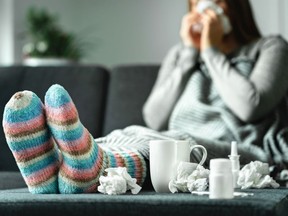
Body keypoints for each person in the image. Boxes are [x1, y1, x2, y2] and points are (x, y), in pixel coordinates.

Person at [2, 0, 288, 194]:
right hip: (171, 138)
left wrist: (211, 51)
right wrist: (189, 55)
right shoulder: (181, 55)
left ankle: (93, 169)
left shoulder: (270, 47)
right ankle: (56, 174)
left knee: (173, 143)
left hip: (236, 150)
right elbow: (154, 116)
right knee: (128, 132)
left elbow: (250, 107)